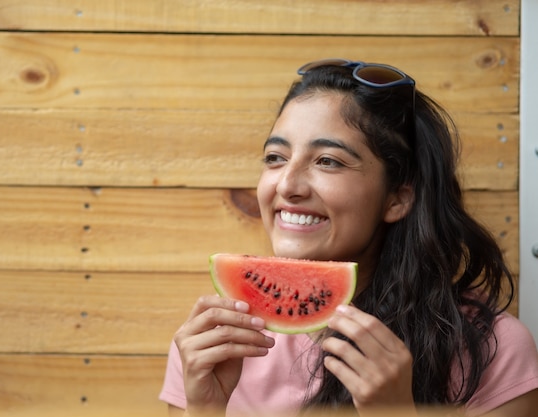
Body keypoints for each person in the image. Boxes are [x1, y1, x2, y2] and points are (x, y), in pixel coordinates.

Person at [159, 59, 538, 416]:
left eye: (328, 161)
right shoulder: (217, 342)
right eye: (275, 157)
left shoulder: (494, 351)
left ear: (397, 198)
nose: (287, 185)